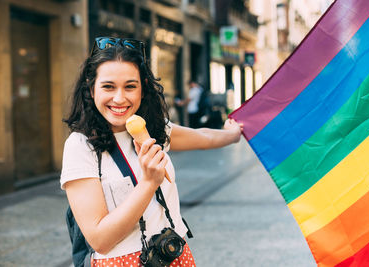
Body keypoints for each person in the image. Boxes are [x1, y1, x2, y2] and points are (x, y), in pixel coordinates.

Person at [61, 37, 243, 267]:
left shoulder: (153, 128)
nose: (119, 98)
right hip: (122, 262)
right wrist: (148, 183)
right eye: (108, 86)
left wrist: (233, 134)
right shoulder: (80, 146)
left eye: (130, 86)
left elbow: (204, 137)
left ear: (143, 88)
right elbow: (100, 240)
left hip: (174, 254)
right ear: (91, 88)